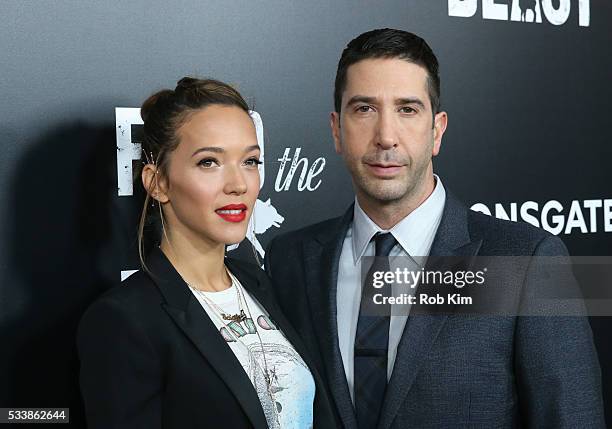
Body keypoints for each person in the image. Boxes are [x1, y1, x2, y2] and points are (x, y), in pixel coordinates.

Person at [264, 29, 605, 428]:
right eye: (364, 109)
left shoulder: (524, 262)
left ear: (437, 130)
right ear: (336, 130)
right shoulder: (291, 260)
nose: (385, 136)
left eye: (407, 109)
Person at [77, 77, 336, 429]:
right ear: (158, 182)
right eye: (209, 162)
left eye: (250, 161)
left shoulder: (259, 282)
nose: (238, 184)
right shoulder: (123, 320)